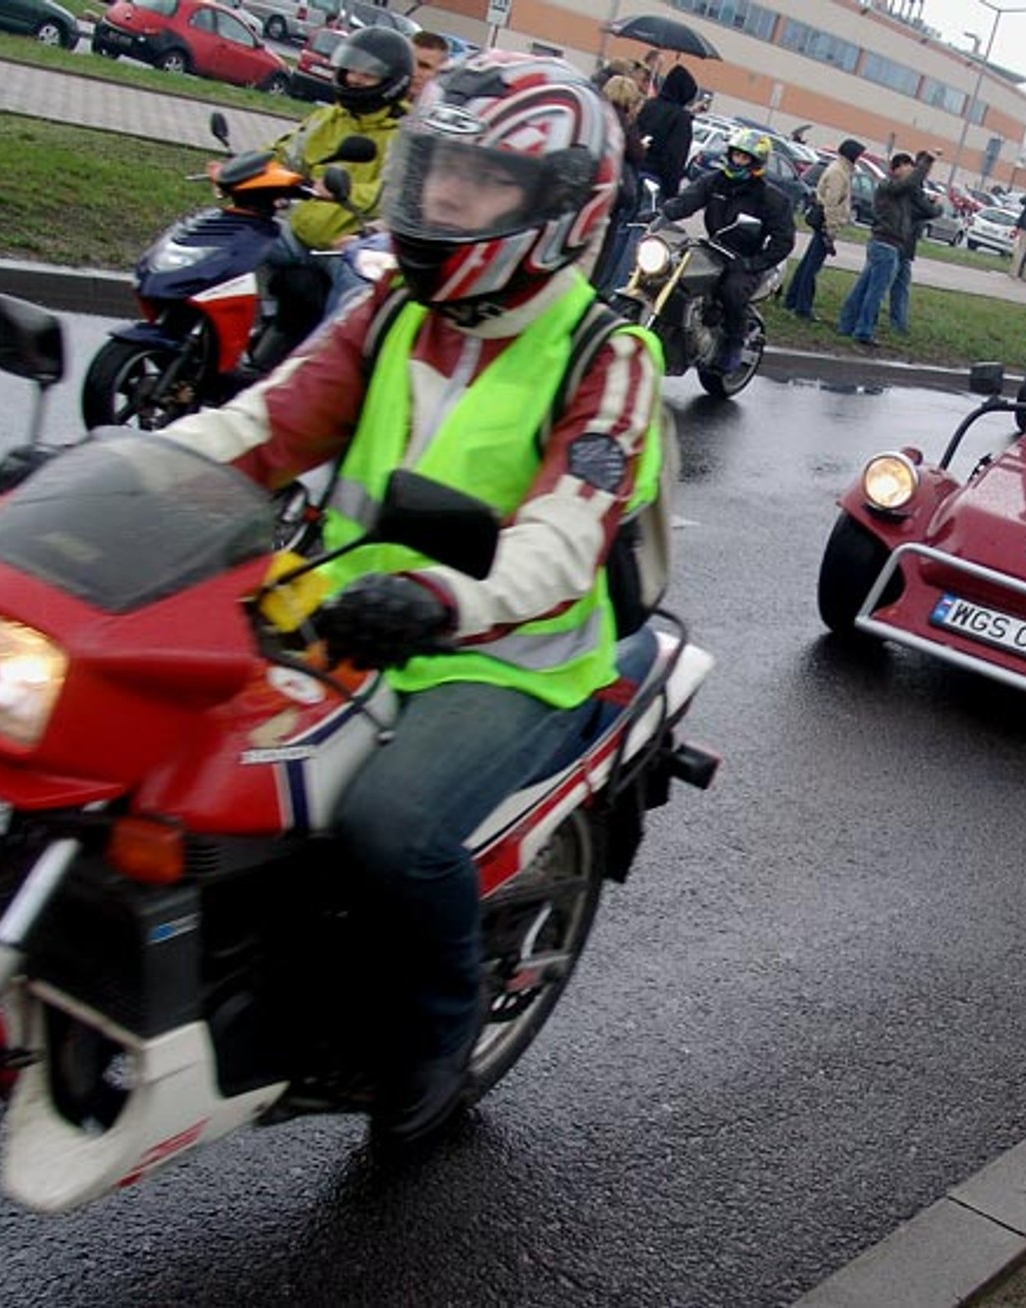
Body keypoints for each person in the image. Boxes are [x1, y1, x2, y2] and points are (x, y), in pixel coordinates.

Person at [155, 51, 663, 1149]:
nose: (444, 202)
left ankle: (430, 1041)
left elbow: (563, 539)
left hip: (506, 661)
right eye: (436, 174)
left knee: (391, 829)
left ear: (559, 211)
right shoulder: (386, 308)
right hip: (338, 620)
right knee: (160, 734)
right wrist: (118, 476)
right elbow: (264, 423)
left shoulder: (606, 358)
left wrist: (437, 599)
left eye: (480, 185)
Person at [255, 27, 411, 339]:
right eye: (350, 69)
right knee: (242, 237)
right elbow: (285, 152)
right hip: (299, 235)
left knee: (347, 317)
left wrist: (346, 190)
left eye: (367, 75)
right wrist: (249, 171)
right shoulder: (327, 118)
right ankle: (235, 336)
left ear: (394, 81)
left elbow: (395, 195)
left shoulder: (406, 134)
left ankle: (322, 371)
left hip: (353, 247)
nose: (354, 79)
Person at [658, 127, 794, 374]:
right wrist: (662, 214)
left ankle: (734, 343)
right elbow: (688, 200)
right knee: (670, 269)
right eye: (736, 155)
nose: (738, 161)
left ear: (756, 162)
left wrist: (753, 263)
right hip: (713, 248)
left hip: (745, 260)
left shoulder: (769, 198)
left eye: (745, 157)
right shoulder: (715, 181)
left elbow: (784, 241)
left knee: (731, 291)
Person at [836, 148, 934, 348]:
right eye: (908, 167)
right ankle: (864, 330)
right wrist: (926, 162)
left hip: (888, 245)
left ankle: (846, 325)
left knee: (863, 287)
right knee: (876, 292)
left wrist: (935, 206)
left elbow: (922, 210)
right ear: (896, 169)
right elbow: (909, 183)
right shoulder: (889, 186)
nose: (911, 171)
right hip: (885, 245)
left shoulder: (902, 192)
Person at [783, 136, 860, 323]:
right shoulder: (839, 173)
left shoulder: (839, 169)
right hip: (826, 223)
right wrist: (831, 229)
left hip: (823, 221)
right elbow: (832, 203)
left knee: (807, 263)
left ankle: (792, 299)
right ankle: (803, 306)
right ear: (852, 156)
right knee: (812, 267)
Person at [588, 72, 647, 293]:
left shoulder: (595, 115)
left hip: (587, 186)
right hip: (611, 193)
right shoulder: (625, 123)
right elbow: (637, 154)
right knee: (601, 251)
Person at [634, 61, 697, 197]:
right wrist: (671, 192)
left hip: (631, 171)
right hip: (654, 181)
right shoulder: (680, 118)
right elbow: (675, 158)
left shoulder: (647, 105)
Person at [887, 190, 937, 336]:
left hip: (906, 248)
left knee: (901, 287)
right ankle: (869, 320)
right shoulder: (909, 190)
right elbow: (925, 212)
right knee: (883, 285)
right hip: (898, 244)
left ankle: (898, 324)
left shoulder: (913, 190)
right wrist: (933, 206)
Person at [408, 29, 449, 101]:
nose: (413, 72)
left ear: (438, 72)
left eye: (424, 66)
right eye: (408, 61)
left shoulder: (432, 100)